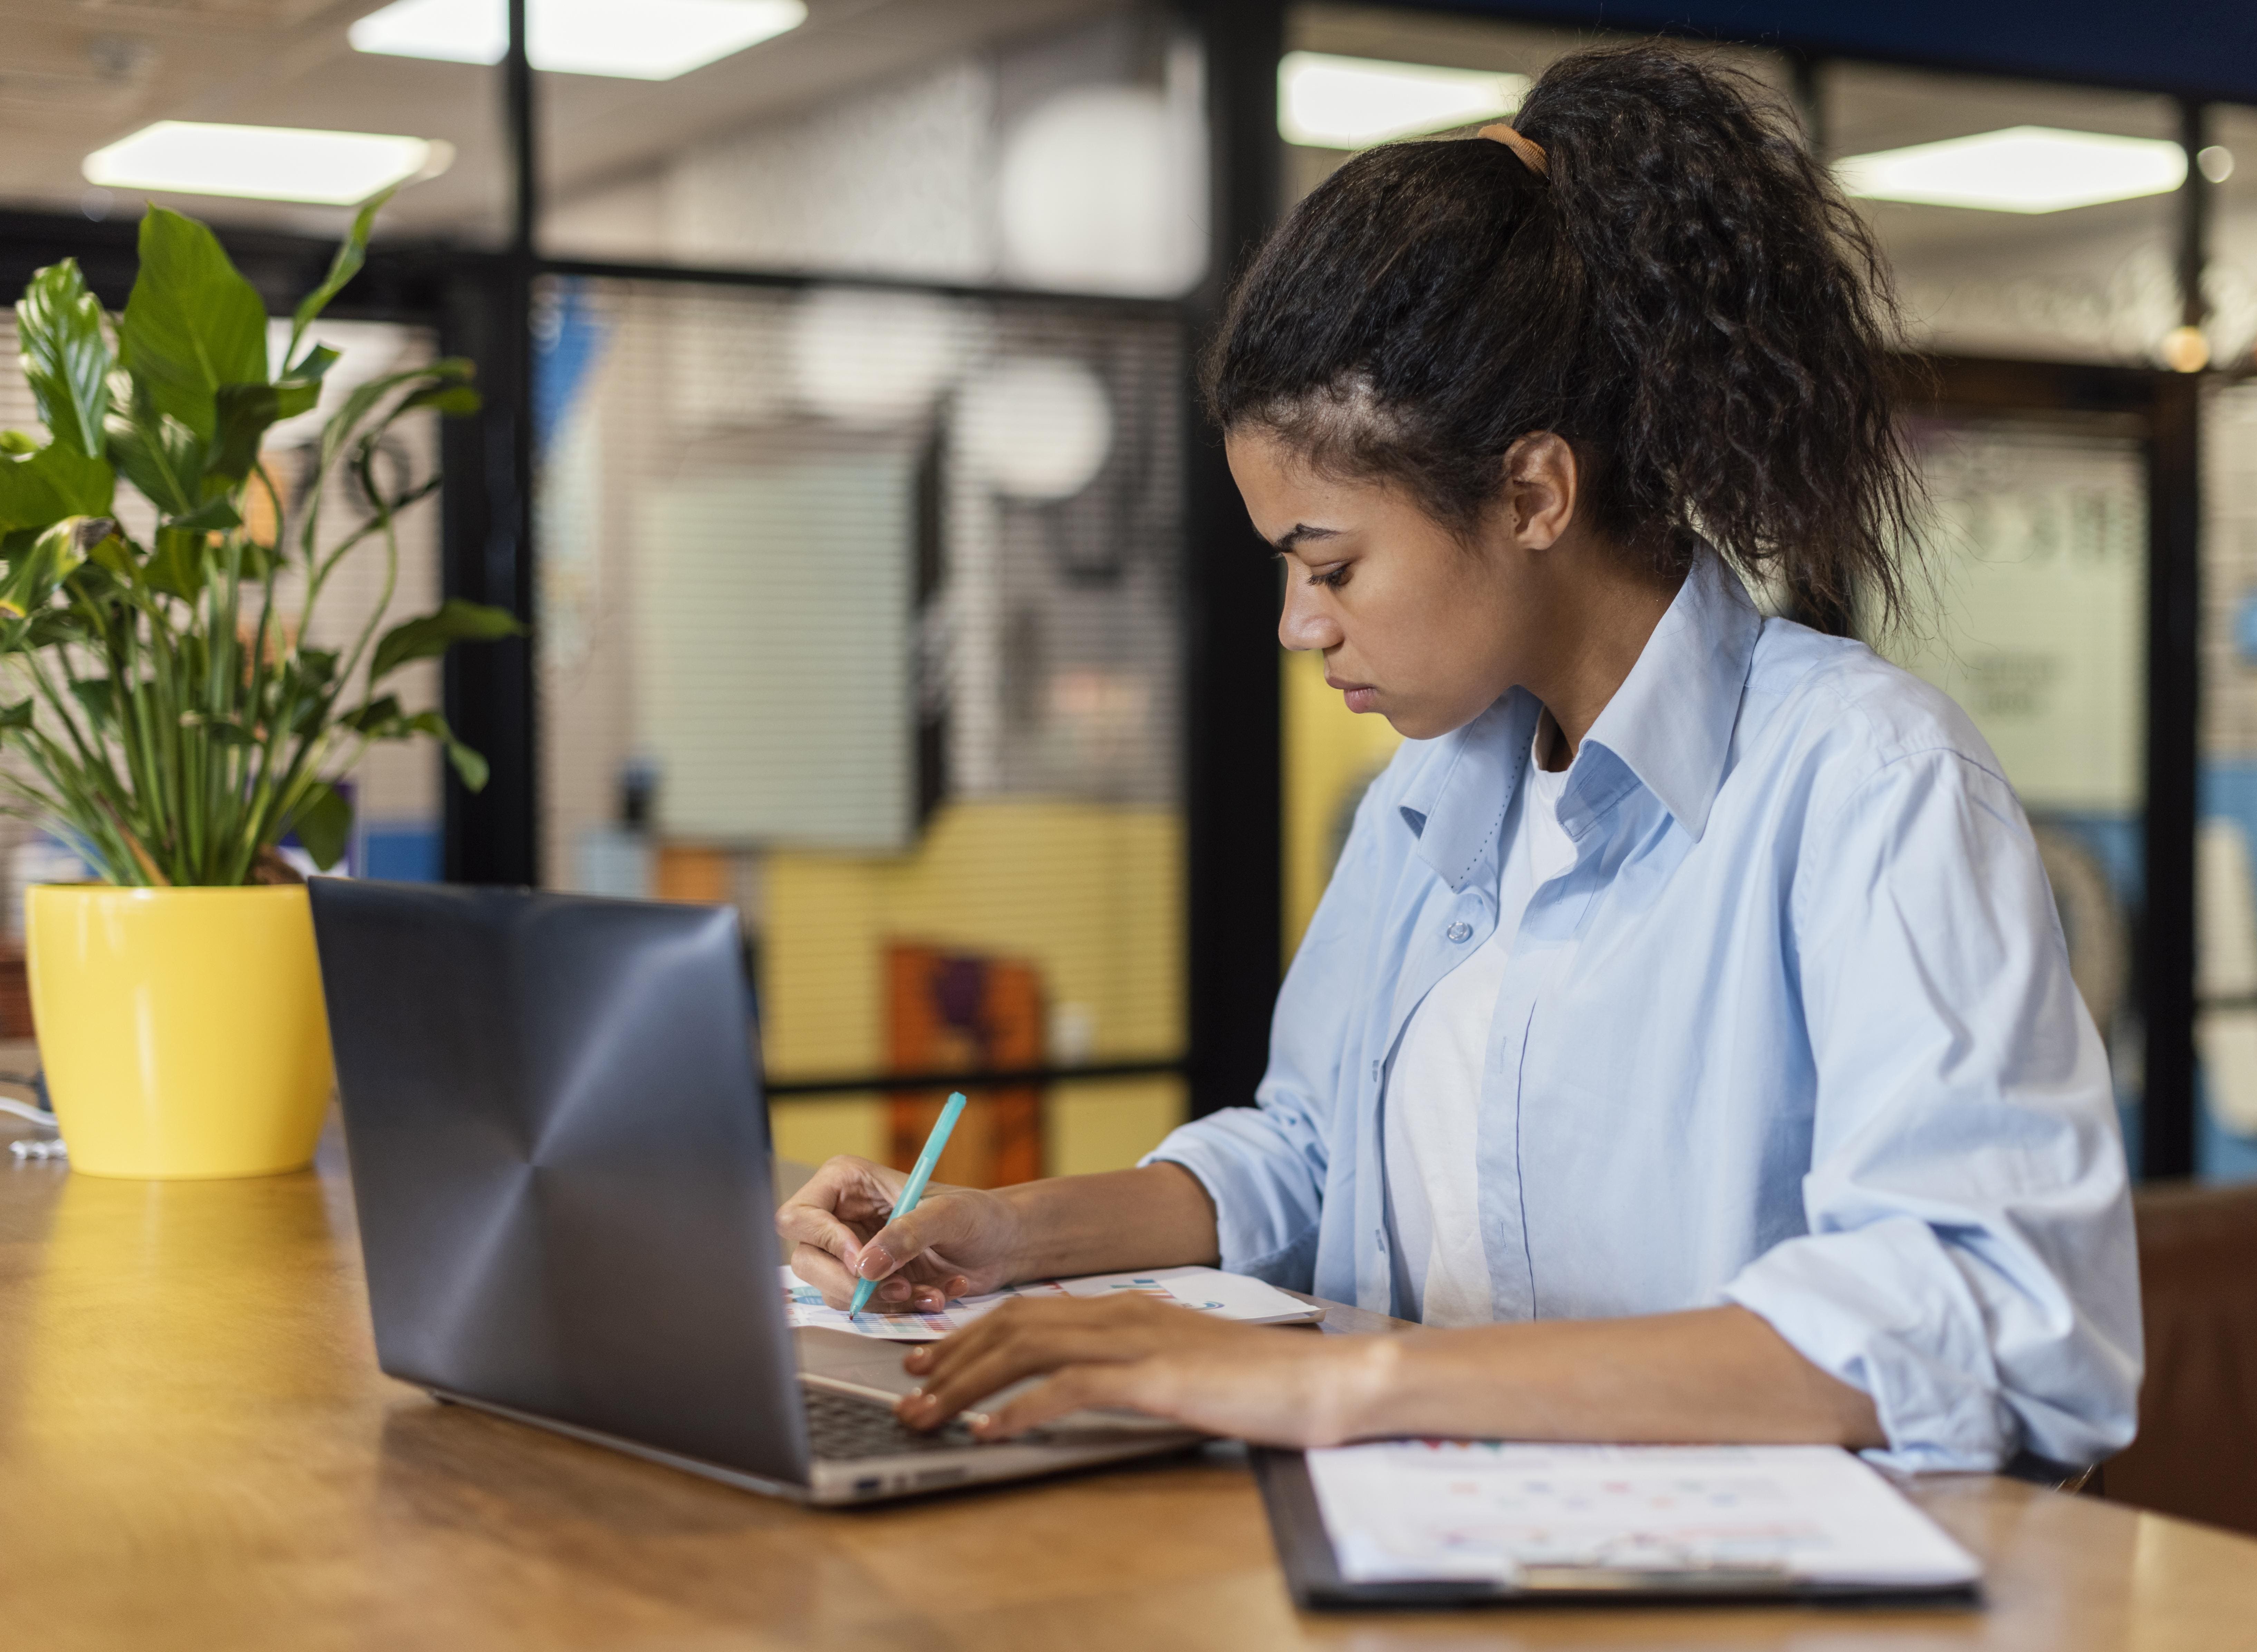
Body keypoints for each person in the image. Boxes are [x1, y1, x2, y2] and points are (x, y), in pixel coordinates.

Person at [778, 41, 2140, 1471]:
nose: (1300, 626)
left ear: (1533, 492)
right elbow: (1310, 1149)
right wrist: (1010, 1231)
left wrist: (1356, 1383)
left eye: (1333, 565)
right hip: (1434, 1554)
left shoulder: (1866, 783)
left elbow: (1983, 1317)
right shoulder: (1425, 799)